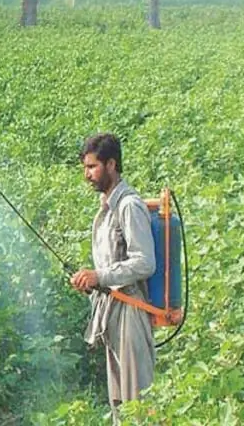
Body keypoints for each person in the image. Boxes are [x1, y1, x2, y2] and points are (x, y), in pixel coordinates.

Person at [70, 133, 157, 424]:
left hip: (130, 309)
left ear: (111, 164)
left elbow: (145, 262)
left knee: (138, 402)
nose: (87, 175)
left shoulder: (128, 205)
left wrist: (100, 276)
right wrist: (92, 282)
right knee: (120, 403)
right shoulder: (106, 208)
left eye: (92, 167)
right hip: (111, 310)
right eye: (85, 168)